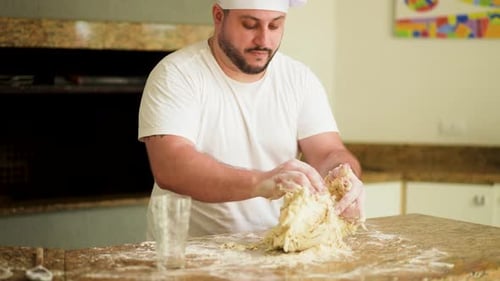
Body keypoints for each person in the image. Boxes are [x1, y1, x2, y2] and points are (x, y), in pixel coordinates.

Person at [138, 0, 365, 238]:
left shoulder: (299, 79)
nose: (264, 41)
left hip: (275, 247)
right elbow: (171, 166)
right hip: (190, 254)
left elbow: (328, 151)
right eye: (249, 25)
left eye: (275, 26)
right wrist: (260, 183)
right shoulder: (177, 74)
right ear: (218, 16)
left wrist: (343, 173)